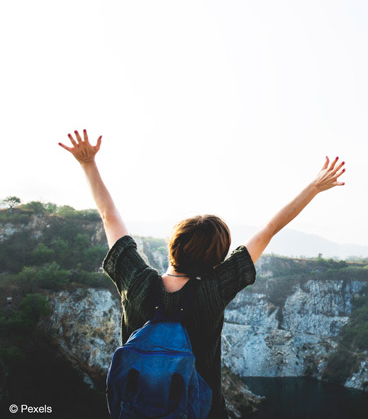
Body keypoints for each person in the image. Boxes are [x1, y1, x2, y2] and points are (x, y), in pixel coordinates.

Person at [60, 129, 346, 419]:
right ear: (217, 259)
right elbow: (270, 228)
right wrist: (314, 187)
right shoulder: (214, 289)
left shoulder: (137, 283)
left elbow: (109, 216)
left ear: (173, 245)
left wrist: (88, 164)